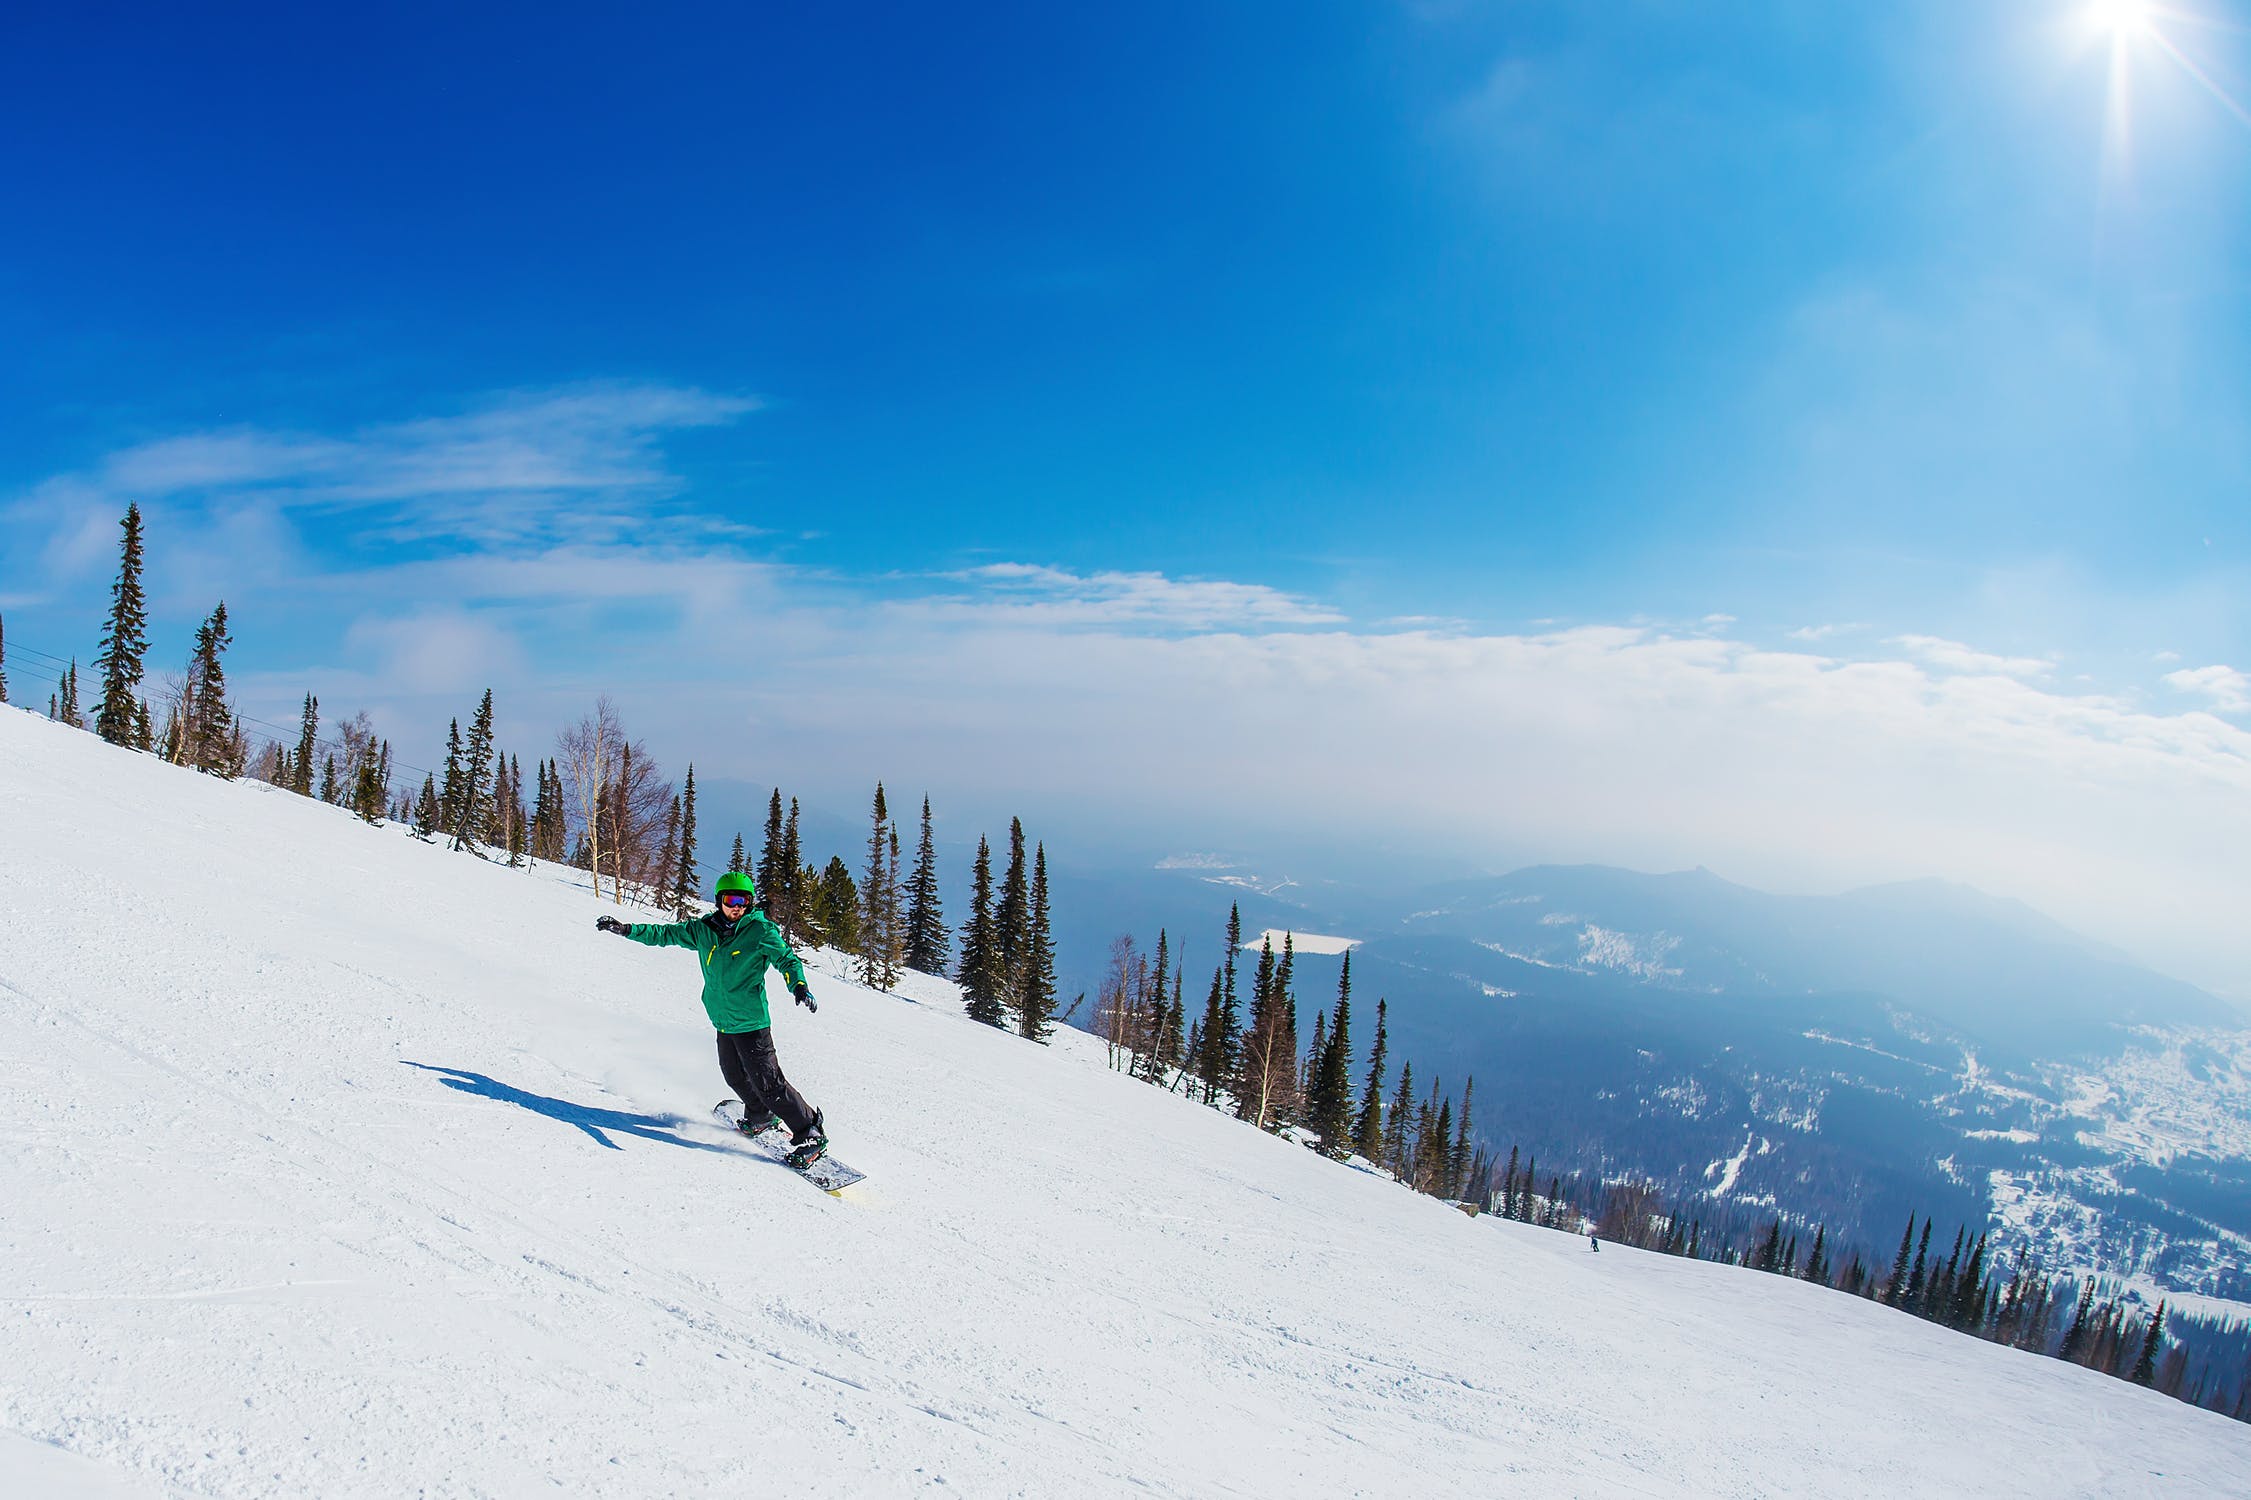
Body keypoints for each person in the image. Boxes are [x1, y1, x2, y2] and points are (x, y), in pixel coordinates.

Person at [595, 870, 828, 1167]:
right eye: (731, 900)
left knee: (768, 1082)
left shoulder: (760, 931)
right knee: (733, 1074)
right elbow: (664, 935)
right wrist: (626, 929)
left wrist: (798, 985)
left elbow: (787, 959)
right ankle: (759, 1115)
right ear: (719, 900)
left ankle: (810, 1132)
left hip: (751, 1022)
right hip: (722, 1020)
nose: (737, 907)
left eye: (744, 901)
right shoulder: (702, 930)